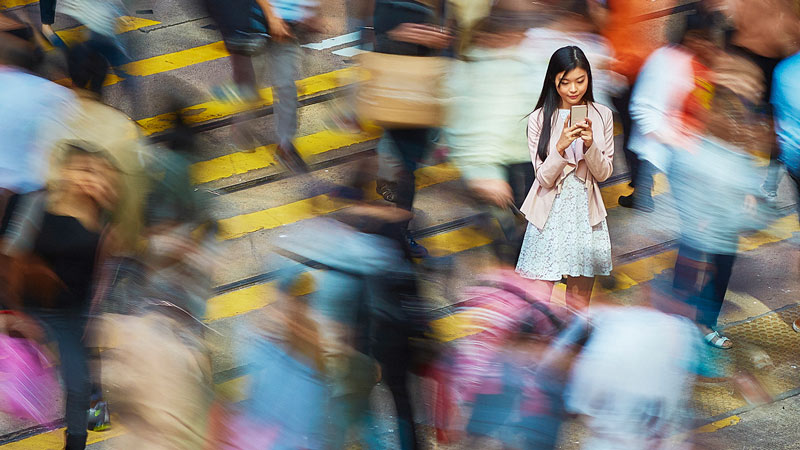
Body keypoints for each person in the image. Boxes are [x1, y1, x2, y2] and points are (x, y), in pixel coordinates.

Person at [2, 142, 122, 450]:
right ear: (64, 172)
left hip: (72, 317)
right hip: (27, 308)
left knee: (80, 385)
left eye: (98, 173)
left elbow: (102, 278)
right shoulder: (36, 204)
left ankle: (79, 440)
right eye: (83, 170)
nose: (90, 179)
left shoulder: (104, 220)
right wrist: (10, 315)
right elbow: (9, 258)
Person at [516, 45, 614, 310]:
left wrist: (590, 146)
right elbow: (544, 179)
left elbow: (604, 173)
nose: (573, 89)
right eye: (565, 82)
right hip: (548, 212)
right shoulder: (539, 119)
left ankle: (571, 347)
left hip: (585, 211)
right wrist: (559, 148)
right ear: (553, 81)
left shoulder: (602, 114)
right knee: (538, 301)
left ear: (589, 79)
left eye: (580, 81)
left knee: (578, 302)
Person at [623, 9, 719, 212]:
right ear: (686, 35)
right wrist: (670, 139)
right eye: (698, 37)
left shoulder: (702, 63)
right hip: (666, 154)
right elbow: (642, 107)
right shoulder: (663, 60)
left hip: (689, 153)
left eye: (707, 38)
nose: (704, 44)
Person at [252, 0, 322, 173]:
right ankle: (241, 127)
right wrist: (272, 16)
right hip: (257, 23)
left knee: (286, 87)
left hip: (289, 27)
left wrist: (312, 11)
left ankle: (285, 146)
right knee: (250, 87)